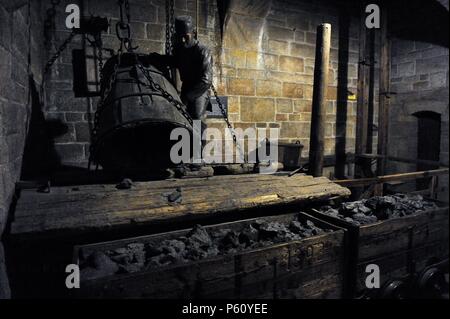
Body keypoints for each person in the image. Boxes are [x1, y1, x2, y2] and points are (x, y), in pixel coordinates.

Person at [149, 15, 213, 122]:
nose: (183, 40)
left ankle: (198, 139)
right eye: (180, 36)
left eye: (186, 36)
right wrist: (158, 58)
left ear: (194, 33)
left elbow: (206, 80)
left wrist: (188, 97)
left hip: (199, 90)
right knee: (183, 118)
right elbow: (174, 61)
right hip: (186, 87)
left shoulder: (203, 51)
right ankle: (187, 138)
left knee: (196, 118)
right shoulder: (181, 50)